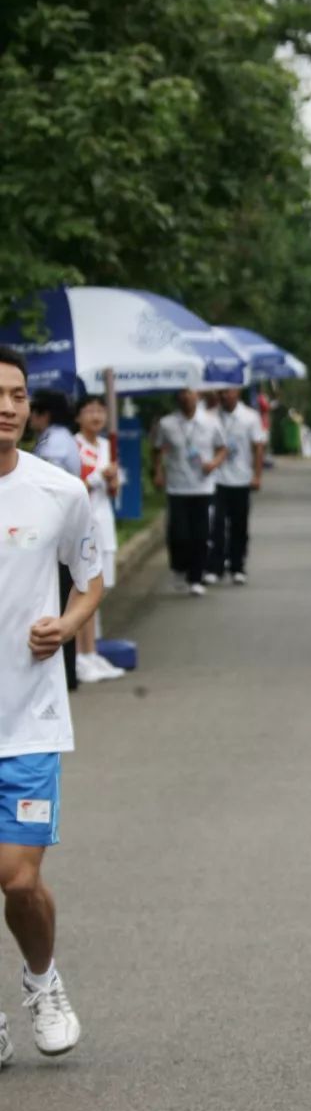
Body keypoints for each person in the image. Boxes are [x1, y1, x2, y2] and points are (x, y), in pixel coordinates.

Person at [0, 348, 103, 1067]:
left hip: (28, 721)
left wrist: (67, 628)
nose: (5, 406)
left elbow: (89, 580)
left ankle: (42, 981)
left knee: (18, 879)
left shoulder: (59, 491)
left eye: (15, 394)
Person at [30, 390, 83, 693]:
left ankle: (63, 675)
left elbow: (45, 488)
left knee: (57, 605)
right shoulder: (67, 438)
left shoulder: (50, 443)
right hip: (68, 531)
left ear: (44, 414)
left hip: (55, 534)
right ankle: (69, 673)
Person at [151, 389, 227, 595]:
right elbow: (157, 449)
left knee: (201, 534)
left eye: (191, 393)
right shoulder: (167, 423)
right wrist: (157, 472)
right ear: (178, 397)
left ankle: (196, 577)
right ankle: (178, 567)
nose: (187, 397)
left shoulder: (211, 421)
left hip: (203, 486)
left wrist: (214, 463)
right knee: (179, 534)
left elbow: (222, 448)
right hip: (177, 486)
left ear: (198, 396)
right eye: (183, 393)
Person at [74, 397, 124, 684]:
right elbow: (72, 485)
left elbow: (114, 492)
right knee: (85, 590)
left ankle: (91, 652)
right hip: (83, 527)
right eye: (90, 410)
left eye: (100, 410)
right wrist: (96, 478)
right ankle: (80, 655)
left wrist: (112, 481)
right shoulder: (73, 446)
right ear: (78, 416)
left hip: (105, 524)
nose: (96, 415)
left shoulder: (107, 446)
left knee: (101, 589)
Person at [205, 387, 266, 585]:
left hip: (241, 479)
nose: (224, 396)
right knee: (217, 524)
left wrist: (257, 475)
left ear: (237, 393)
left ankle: (238, 566)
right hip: (216, 479)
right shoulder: (211, 416)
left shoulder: (250, 417)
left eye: (228, 392)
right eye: (221, 392)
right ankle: (216, 566)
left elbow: (258, 447)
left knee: (239, 525)